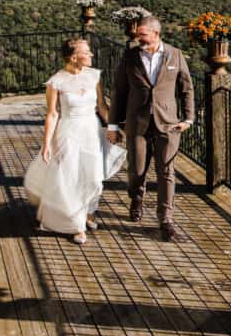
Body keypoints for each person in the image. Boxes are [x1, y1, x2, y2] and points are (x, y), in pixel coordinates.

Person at [24, 38, 125, 244]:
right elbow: (52, 114)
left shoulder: (94, 76)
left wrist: (113, 129)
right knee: (71, 179)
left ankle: (89, 211)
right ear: (73, 57)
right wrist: (46, 144)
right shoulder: (56, 82)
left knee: (94, 178)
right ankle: (77, 225)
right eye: (86, 52)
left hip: (91, 131)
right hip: (68, 132)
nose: (91, 55)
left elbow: (102, 107)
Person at [107, 15, 193, 241]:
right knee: (136, 169)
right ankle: (136, 197)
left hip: (169, 123)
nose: (138, 38)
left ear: (156, 33)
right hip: (137, 121)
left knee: (167, 171)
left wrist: (189, 118)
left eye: (142, 34)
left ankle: (166, 219)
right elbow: (120, 92)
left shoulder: (175, 54)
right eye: (137, 34)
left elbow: (187, 88)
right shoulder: (130, 56)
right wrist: (113, 125)